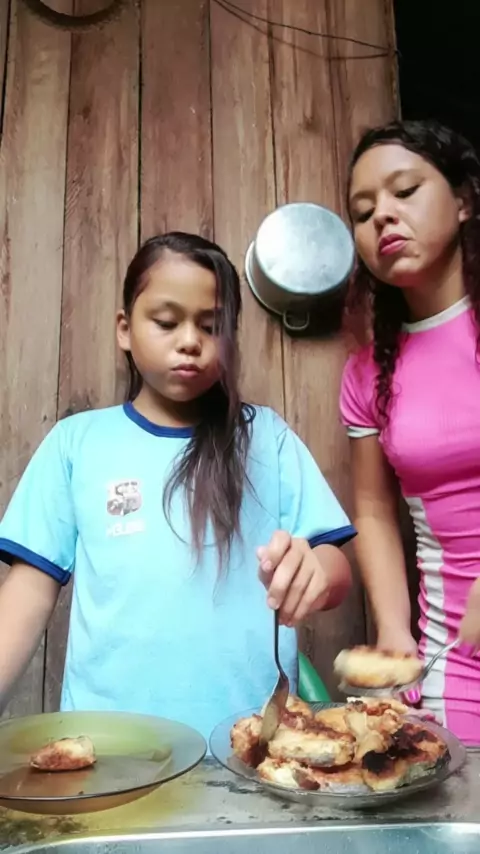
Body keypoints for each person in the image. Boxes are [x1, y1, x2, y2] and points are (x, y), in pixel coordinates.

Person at [0, 232, 354, 741]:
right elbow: (28, 593)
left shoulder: (266, 438)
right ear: (124, 329)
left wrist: (315, 571)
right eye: (166, 322)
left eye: (211, 327)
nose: (190, 340)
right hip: (111, 753)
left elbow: (334, 565)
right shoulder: (76, 443)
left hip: (249, 748)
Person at [340, 119, 480, 744]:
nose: (382, 216)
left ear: (464, 200)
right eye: (363, 211)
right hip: (456, 661)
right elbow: (373, 509)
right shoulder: (367, 372)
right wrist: (395, 630)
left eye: (404, 191)